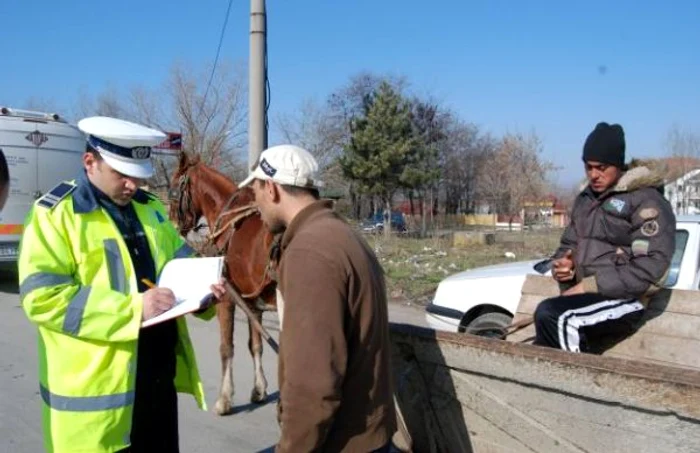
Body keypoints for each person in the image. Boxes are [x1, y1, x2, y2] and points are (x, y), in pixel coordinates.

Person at [18, 116, 226, 453]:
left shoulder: (151, 210)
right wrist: (134, 309)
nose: (133, 186)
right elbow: (44, 299)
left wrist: (206, 292)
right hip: (96, 402)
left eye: (138, 176)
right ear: (90, 162)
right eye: (122, 175)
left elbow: (182, 262)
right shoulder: (53, 217)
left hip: (156, 385)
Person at [239, 145, 397, 452]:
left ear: (271, 189)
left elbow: (312, 385)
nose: (254, 203)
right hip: (368, 433)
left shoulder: (309, 253)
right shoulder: (339, 234)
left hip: (341, 441)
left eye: (255, 191)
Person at [534, 122, 675, 353]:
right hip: (587, 298)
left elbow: (652, 268)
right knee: (547, 322)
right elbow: (568, 245)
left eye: (601, 167)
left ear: (618, 165)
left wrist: (589, 285)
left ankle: (570, 387)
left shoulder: (646, 201)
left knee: (557, 317)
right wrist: (564, 266)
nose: (593, 175)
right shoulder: (585, 200)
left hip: (626, 299)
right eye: (588, 167)